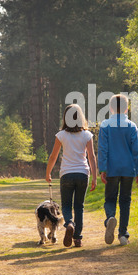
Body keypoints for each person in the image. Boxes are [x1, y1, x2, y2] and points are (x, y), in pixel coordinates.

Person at [46, 104, 97, 247]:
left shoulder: (61, 135)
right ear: (81, 118)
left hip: (67, 174)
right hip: (82, 174)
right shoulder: (87, 135)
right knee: (79, 206)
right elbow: (92, 157)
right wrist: (94, 177)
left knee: (67, 205)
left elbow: (53, 156)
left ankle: (69, 223)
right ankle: (77, 238)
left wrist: (48, 172)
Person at [98, 94, 138, 246]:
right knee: (125, 201)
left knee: (110, 198)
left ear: (110, 108)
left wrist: (102, 169)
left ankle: (110, 217)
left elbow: (103, 149)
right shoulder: (131, 126)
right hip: (127, 169)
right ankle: (123, 234)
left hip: (112, 169)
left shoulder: (105, 125)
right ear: (127, 108)